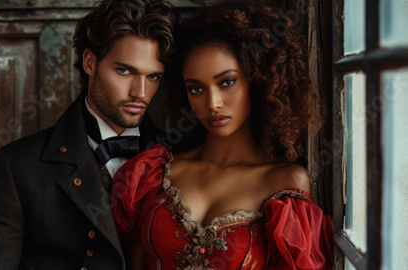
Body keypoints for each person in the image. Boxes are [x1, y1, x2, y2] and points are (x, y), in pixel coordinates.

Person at [111, 0, 334, 269]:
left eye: (227, 82)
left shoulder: (285, 181)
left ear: (257, 80)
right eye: (196, 89)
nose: (213, 103)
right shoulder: (154, 174)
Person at [0, 0, 179, 269]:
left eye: (153, 76)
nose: (141, 93)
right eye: (124, 71)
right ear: (90, 62)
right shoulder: (16, 167)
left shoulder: (182, 155)